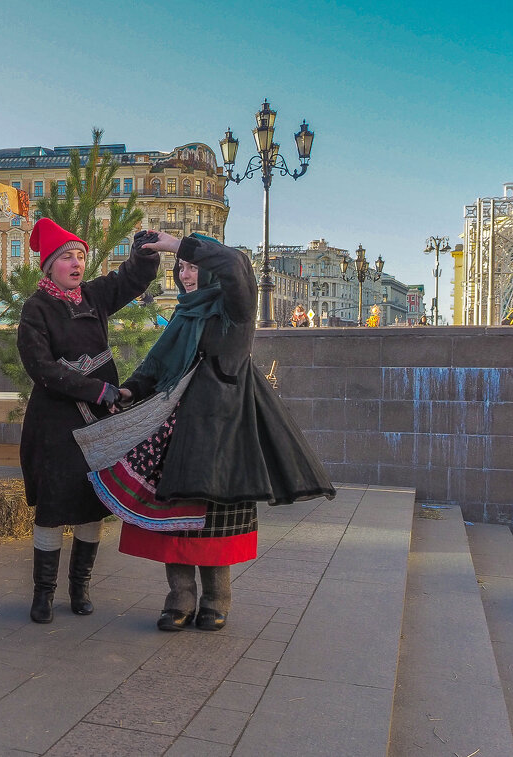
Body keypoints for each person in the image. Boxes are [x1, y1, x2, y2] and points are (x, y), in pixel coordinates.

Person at [100, 231, 336, 632]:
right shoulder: (184, 313)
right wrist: (130, 389)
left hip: (227, 427)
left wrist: (178, 244)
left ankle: (216, 599)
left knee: (217, 517)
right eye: (182, 269)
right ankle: (179, 597)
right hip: (178, 426)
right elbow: (158, 362)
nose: (186, 275)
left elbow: (236, 266)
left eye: (193, 267)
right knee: (174, 514)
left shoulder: (235, 308)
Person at [17, 218, 161, 624]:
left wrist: (144, 253)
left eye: (80, 255)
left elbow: (130, 279)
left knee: (89, 508)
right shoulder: (35, 309)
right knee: (51, 509)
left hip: (95, 428)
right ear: (49, 266)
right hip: (55, 428)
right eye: (67, 256)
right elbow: (41, 368)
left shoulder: (94, 297)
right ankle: (42, 595)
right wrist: (97, 390)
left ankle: (79, 589)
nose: (76, 262)